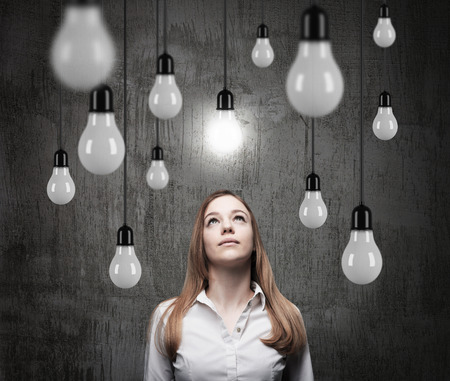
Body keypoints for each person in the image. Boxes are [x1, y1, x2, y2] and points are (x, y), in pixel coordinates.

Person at [144, 190, 314, 380]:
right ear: (201, 242)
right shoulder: (167, 318)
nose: (227, 227)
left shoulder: (288, 317)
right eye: (213, 221)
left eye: (239, 218)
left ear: (255, 241)